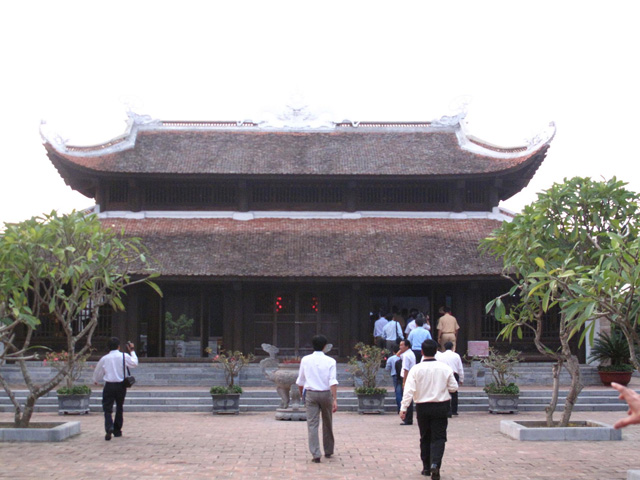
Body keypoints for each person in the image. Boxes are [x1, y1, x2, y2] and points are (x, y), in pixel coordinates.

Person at [400, 339, 458, 480]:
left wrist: (404, 408)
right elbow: (454, 387)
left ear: (422, 352)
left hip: (423, 407)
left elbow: (409, 390)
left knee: (425, 437)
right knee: (439, 437)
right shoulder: (445, 368)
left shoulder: (416, 369)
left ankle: (426, 467)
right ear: (436, 351)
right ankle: (435, 464)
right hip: (440, 406)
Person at [296, 334, 338, 463]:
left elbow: (300, 381)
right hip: (326, 394)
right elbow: (333, 381)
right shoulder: (331, 361)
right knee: (327, 422)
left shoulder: (305, 360)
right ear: (325, 346)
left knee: (312, 424)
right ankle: (329, 450)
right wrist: (335, 399)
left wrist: (301, 394)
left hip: (311, 393)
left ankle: (315, 453)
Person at [92, 337, 138, 441]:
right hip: (121, 385)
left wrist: (96, 380)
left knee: (107, 409)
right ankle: (117, 430)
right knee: (119, 407)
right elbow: (134, 363)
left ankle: (109, 427)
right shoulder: (124, 356)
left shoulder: (105, 358)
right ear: (118, 346)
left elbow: (98, 371)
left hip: (109, 385)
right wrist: (132, 351)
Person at [435, 341, 464, 416]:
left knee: (445, 392)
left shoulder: (440, 356)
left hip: (443, 374)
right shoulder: (456, 355)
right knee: (454, 393)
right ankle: (454, 410)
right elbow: (460, 368)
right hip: (454, 374)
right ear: (452, 347)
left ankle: (447, 410)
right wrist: (461, 378)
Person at [399, 339, 416, 425]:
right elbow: (398, 355)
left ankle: (407, 418)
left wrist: (404, 382)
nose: (400, 347)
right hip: (411, 377)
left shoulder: (406, 355)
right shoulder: (410, 353)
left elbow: (406, 369)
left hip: (408, 377)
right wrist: (401, 350)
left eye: (402, 345)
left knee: (407, 398)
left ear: (407, 346)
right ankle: (408, 418)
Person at [384, 343, 403, 412]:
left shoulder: (391, 359)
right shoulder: (404, 357)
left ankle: (400, 408)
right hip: (404, 375)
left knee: (398, 392)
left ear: (393, 352)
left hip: (395, 375)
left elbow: (387, 368)